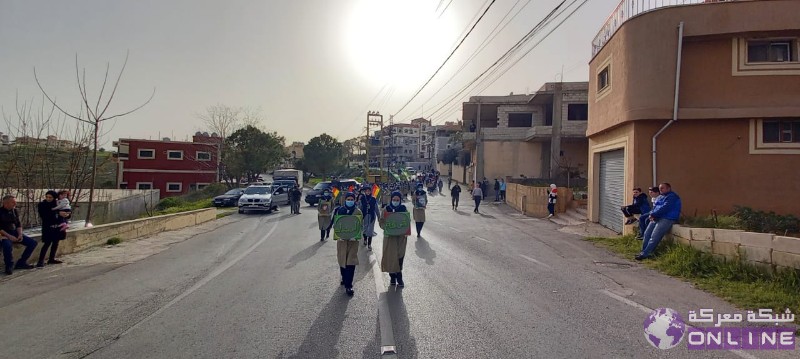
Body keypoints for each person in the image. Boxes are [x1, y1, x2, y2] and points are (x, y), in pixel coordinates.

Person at [636, 183, 682, 261]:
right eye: (660, 189)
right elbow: (655, 207)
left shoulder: (672, 197)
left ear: (668, 188)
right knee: (647, 234)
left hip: (667, 218)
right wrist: (651, 214)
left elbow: (665, 208)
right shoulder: (660, 197)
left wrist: (653, 214)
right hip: (656, 217)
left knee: (654, 236)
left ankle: (646, 254)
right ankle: (643, 251)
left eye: (663, 188)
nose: (661, 190)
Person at [1, 195, 38, 275]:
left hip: (15, 232)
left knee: (32, 243)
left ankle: (21, 262)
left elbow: (18, 224)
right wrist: (9, 236)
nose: (15, 203)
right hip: (4, 234)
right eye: (13, 202)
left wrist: (20, 234)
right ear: (6, 203)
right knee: (7, 246)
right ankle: (9, 266)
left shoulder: (15, 211)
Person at [334, 192, 362, 296]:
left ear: (354, 200)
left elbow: (360, 225)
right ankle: (344, 277)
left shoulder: (357, 211)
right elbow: (336, 224)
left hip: (353, 242)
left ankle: (349, 285)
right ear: (345, 200)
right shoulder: (340, 210)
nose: (350, 201)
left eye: (351, 199)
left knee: (351, 262)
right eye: (348, 199)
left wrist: (356, 235)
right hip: (342, 241)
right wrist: (338, 235)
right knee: (342, 261)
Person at [380, 191, 408, 287]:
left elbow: (407, 222)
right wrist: (387, 228)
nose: (395, 201)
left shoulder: (403, 209)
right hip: (389, 238)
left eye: (397, 200)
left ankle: (399, 277)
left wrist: (405, 231)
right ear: (391, 199)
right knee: (390, 257)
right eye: (394, 200)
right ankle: (392, 277)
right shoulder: (386, 209)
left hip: (400, 238)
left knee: (399, 256)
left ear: (400, 200)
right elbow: (382, 221)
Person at [37, 190, 67, 267]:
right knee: (47, 243)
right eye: (47, 197)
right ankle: (40, 261)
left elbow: (66, 211)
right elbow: (44, 215)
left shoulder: (57, 203)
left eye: (50, 197)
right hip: (47, 227)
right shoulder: (42, 204)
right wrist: (57, 213)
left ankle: (51, 258)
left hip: (57, 226)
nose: (48, 199)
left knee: (55, 243)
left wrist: (66, 215)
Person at [359, 185, 379, 250]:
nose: (367, 192)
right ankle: (365, 240)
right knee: (365, 229)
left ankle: (369, 244)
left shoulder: (373, 198)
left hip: (372, 216)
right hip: (364, 216)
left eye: (369, 191)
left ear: (371, 191)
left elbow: (376, 208)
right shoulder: (362, 198)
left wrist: (379, 217)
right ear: (365, 192)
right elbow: (360, 207)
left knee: (370, 230)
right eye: (366, 191)